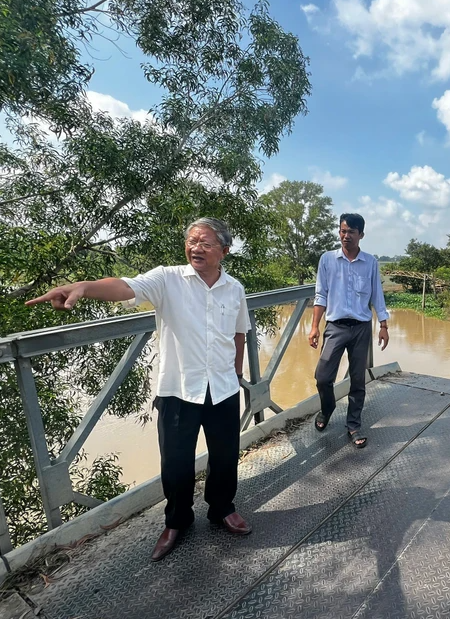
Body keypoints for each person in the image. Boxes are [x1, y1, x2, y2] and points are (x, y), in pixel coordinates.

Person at [26, 217, 253, 562]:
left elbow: (240, 331)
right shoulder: (167, 279)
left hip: (222, 388)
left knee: (225, 458)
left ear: (224, 250)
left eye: (205, 243)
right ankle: (177, 521)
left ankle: (222, 509)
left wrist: (236, 371)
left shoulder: (234, 288)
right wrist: (85, 287)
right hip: (178, 390)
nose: (196, 248)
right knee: (175, 465)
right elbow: (125, 287)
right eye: (192, 241)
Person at [309, 213, 390, 448]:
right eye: (342, 231)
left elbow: (377, 295)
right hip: (335, 327)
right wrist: (314, 326)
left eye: (351, 232)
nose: (345, 236)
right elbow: (320, 294)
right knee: (323, 377)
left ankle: (353, 424)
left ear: (361, 235)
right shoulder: (327, 260)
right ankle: (327, 408)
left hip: (361, 328)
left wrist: (383, 325)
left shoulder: (370, 262)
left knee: (357, 380)